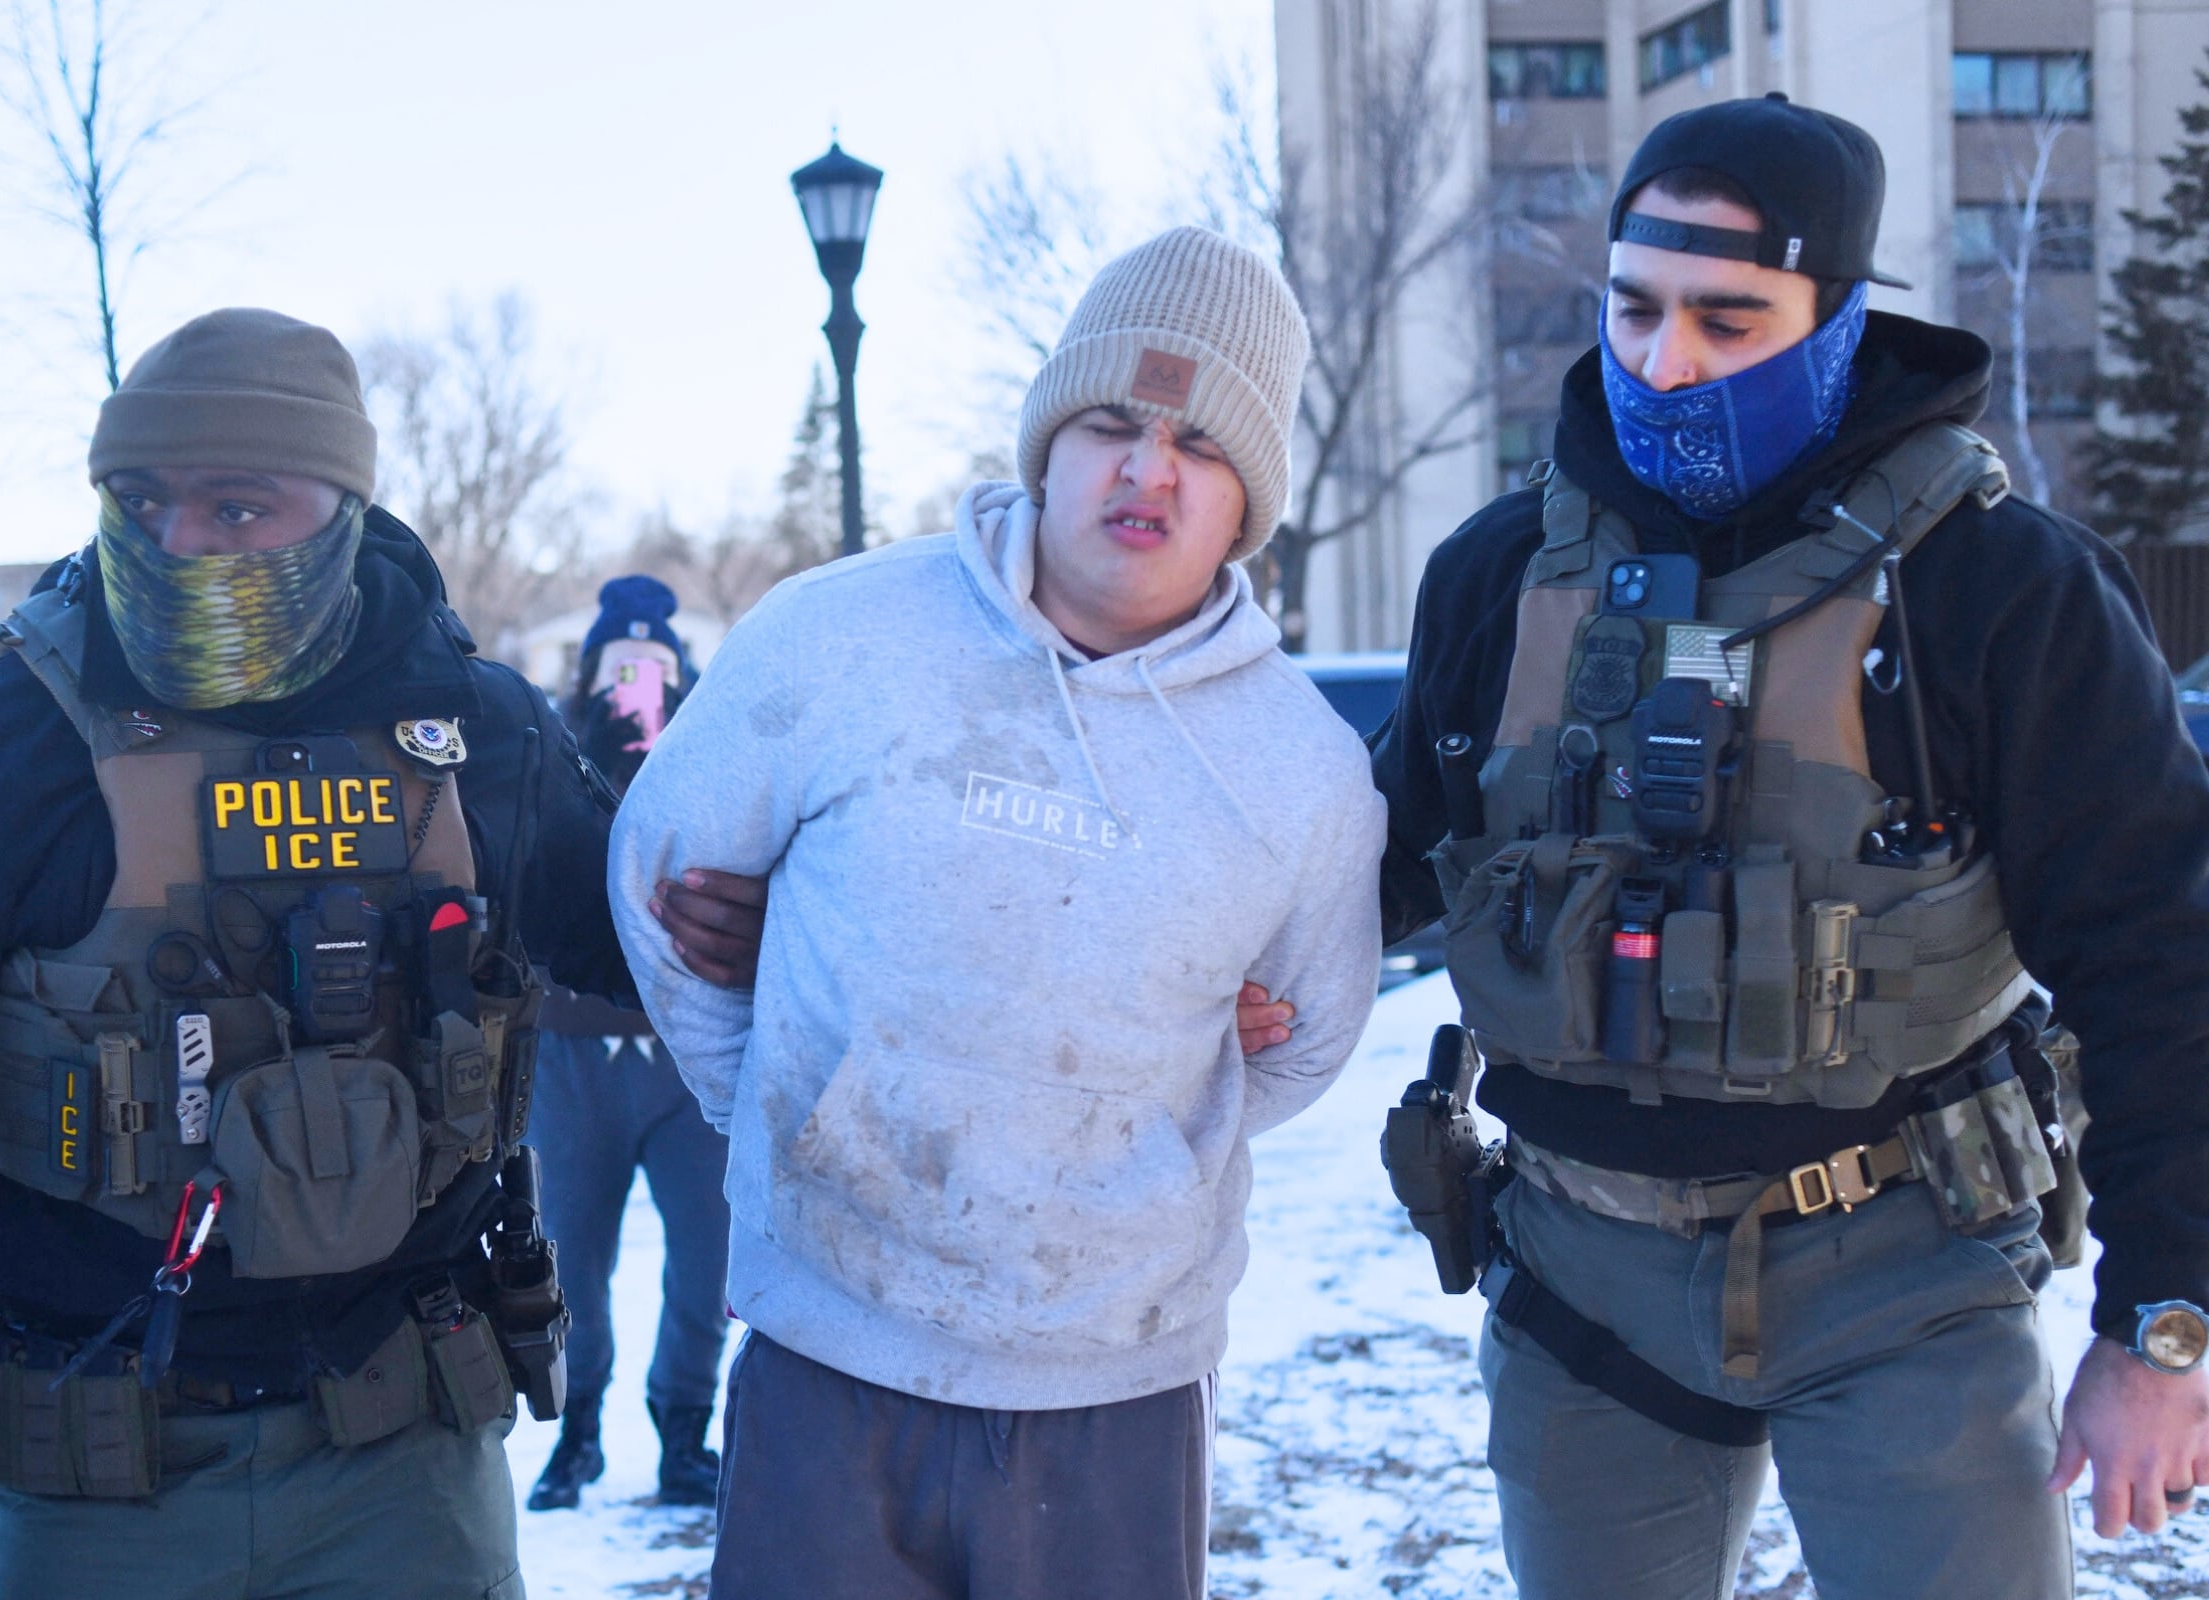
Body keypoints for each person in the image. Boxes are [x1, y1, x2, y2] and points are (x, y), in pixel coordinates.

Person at [1365, 95, 2209, 1599]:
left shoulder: (1997, 589)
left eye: (1726, 319)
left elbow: (2164, 958)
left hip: (1903, 1279)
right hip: (1579, 1288)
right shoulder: (1497, 575)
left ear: (1837, 319)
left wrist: (2164, 1324)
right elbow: (1373, 861)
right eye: (1632, 309)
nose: (1663, 363)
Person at [0, 309, 763, 1600]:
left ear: (344, 510)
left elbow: (652, 940)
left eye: (239, 508)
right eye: (139, 500)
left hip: (410, 1475)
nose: (178, 543)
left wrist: (742, 907)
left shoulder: (480, 738)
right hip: (99, 1487)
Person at [608, 226, 1386, 1599]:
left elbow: (1310, 1034)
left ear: (1248, 493)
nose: (1147, 469)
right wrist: (788, 1108)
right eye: (1111, 422)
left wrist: (1127, 1145)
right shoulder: (838, 637)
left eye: (1199, 445)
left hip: (1117, 1387)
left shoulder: (1305, 768)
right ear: (1049, 443)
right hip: (827, 1357)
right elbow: (664, 882)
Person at [525, 575, 730, 1512]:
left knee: (708, 1255)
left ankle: (685, 1430)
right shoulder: (547, 750)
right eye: (619, 661)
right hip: (573, 1051)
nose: (635, 679)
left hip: (690, 1050)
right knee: (572, 1255)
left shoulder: (716, 747)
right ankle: (578, 1432)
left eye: (653, 661)